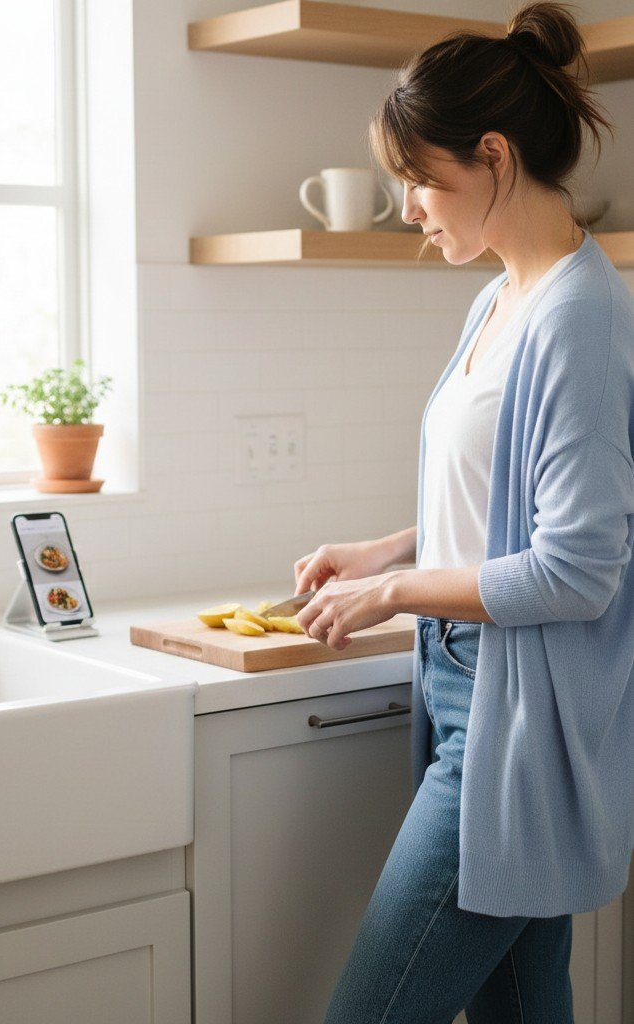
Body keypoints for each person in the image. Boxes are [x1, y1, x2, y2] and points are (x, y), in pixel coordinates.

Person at [291, 2, 634, 1021]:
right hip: (459, 683)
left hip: (510, 711)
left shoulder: (573, 316)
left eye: (419, 176)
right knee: (523, 1008)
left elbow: (576, 569)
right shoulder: (496, 299)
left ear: (490, 156)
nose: (409, 208)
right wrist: (382, 549)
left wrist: (394, 590)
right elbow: (502, 506)